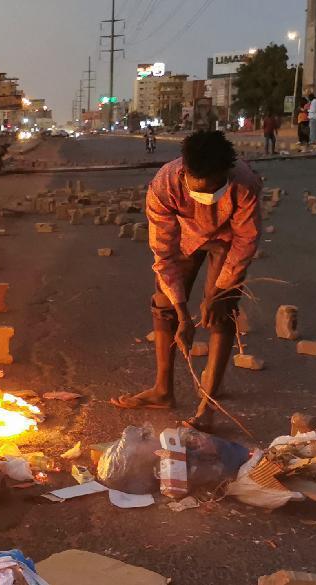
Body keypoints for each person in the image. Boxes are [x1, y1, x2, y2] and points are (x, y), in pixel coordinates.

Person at [112, 130, 261, 432]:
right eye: (199, 190)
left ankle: (207, 404)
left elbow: (246, 240)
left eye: (214, 189)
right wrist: (182, 315)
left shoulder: (245, 184)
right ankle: (162, 390)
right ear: (184, 173)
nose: (206, 197)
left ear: (226, 173)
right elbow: (163, 253)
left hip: (226, 241)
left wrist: (217, 292)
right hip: (185, 238)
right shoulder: (164, 185)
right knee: (163, 304)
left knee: (221, 311)